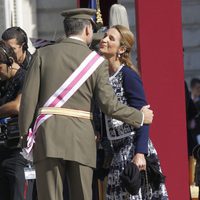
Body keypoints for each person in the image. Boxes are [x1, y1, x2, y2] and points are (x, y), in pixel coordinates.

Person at [18, 8, 154, 200]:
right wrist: (139, 116)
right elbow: (109, 105)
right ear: (88, 30)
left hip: (47, 136)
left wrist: (25, 135)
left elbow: (28, 101)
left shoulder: (42, 54)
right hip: (81, 139)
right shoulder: (96, 62)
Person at [98, 25, 168, 199]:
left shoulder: (128, 75)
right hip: (116, 153)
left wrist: (140, 153)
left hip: (132, 150)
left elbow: (144, 116)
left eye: (111, 38)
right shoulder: (102, 77)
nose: (104, 40)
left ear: (121, 49)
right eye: (105, 36)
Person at [0, 41, 34, 200]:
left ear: (10, 61)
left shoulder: (25, 77)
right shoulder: (2, 81)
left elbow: (17, 106)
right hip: (2, 151)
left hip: (20, 154)